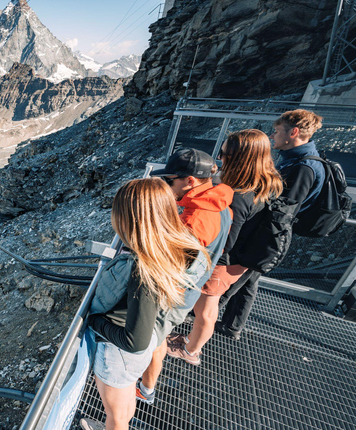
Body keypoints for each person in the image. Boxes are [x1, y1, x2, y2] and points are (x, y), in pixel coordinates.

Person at [75, 178, 209, 430]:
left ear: (132, 221)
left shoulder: (145, 270)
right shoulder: (181, 246)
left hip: (121, 352)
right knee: (124, 399)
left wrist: (95, 322)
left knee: (116, 409)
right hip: (145, 342)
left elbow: (133, 340)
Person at [166, 130, 283, 364]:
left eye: (224, 153)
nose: (221, 159)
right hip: (243, 259)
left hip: (225, 263)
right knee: (206, 310)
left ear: (240, 158)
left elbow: (227, 240)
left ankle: (191, 351)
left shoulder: (240, 196)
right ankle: (192, 343)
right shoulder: (266, 183)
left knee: (206, 311)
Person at [135, 149, 233, 404]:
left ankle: (145, 389)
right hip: (191, 287)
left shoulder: (196, 218)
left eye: (170, 181)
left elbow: (174, 265)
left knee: (154, 338)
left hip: (175, 293)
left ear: (189, 181)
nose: (167, 186)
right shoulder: (219, 205)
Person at [216, 110, 324, 339]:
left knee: (232, 282)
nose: (273, 136)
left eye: (277, 131)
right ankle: (231, 326)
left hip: (265, 235)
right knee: (247, 282)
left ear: (293, 132)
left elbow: (285, 210)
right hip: (263, 233)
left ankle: (203, 324)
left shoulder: (303, 167)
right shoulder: (296, 160)